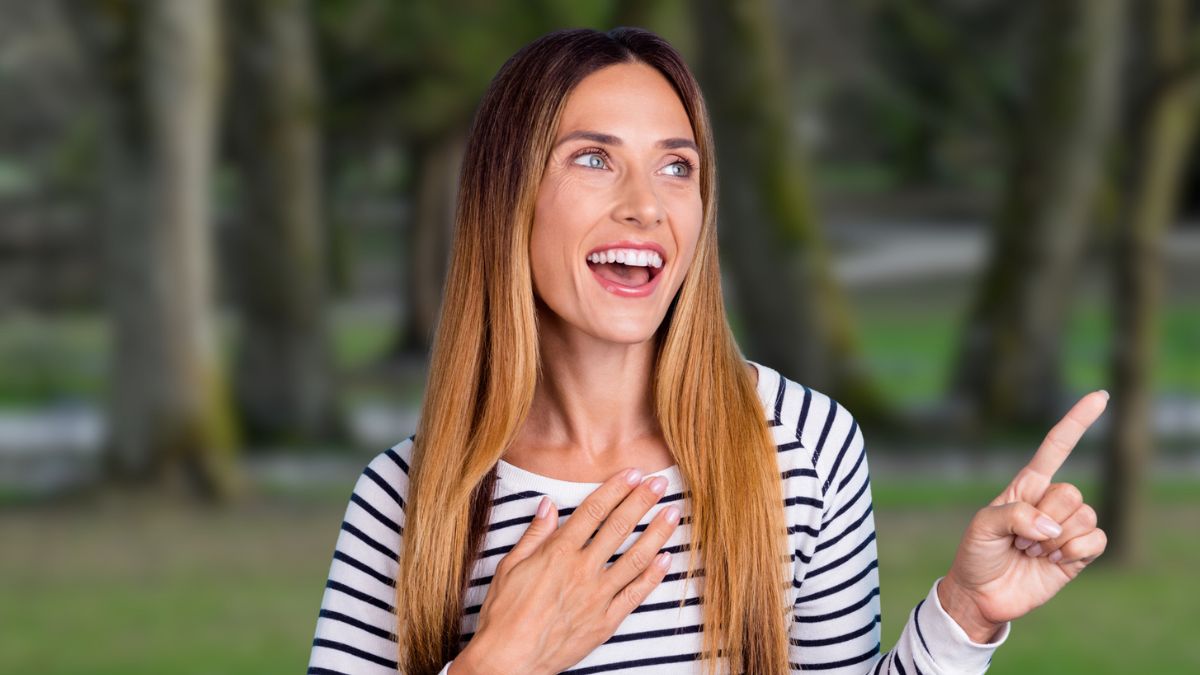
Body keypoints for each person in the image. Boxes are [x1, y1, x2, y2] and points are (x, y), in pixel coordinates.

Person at [306, 27, 1109, 675]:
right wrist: (501, 661)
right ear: (507, 195)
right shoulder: (408, 499)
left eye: (676, 166)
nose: (645, 206)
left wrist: (966, 614)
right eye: (594, 158)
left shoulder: (802, 446)